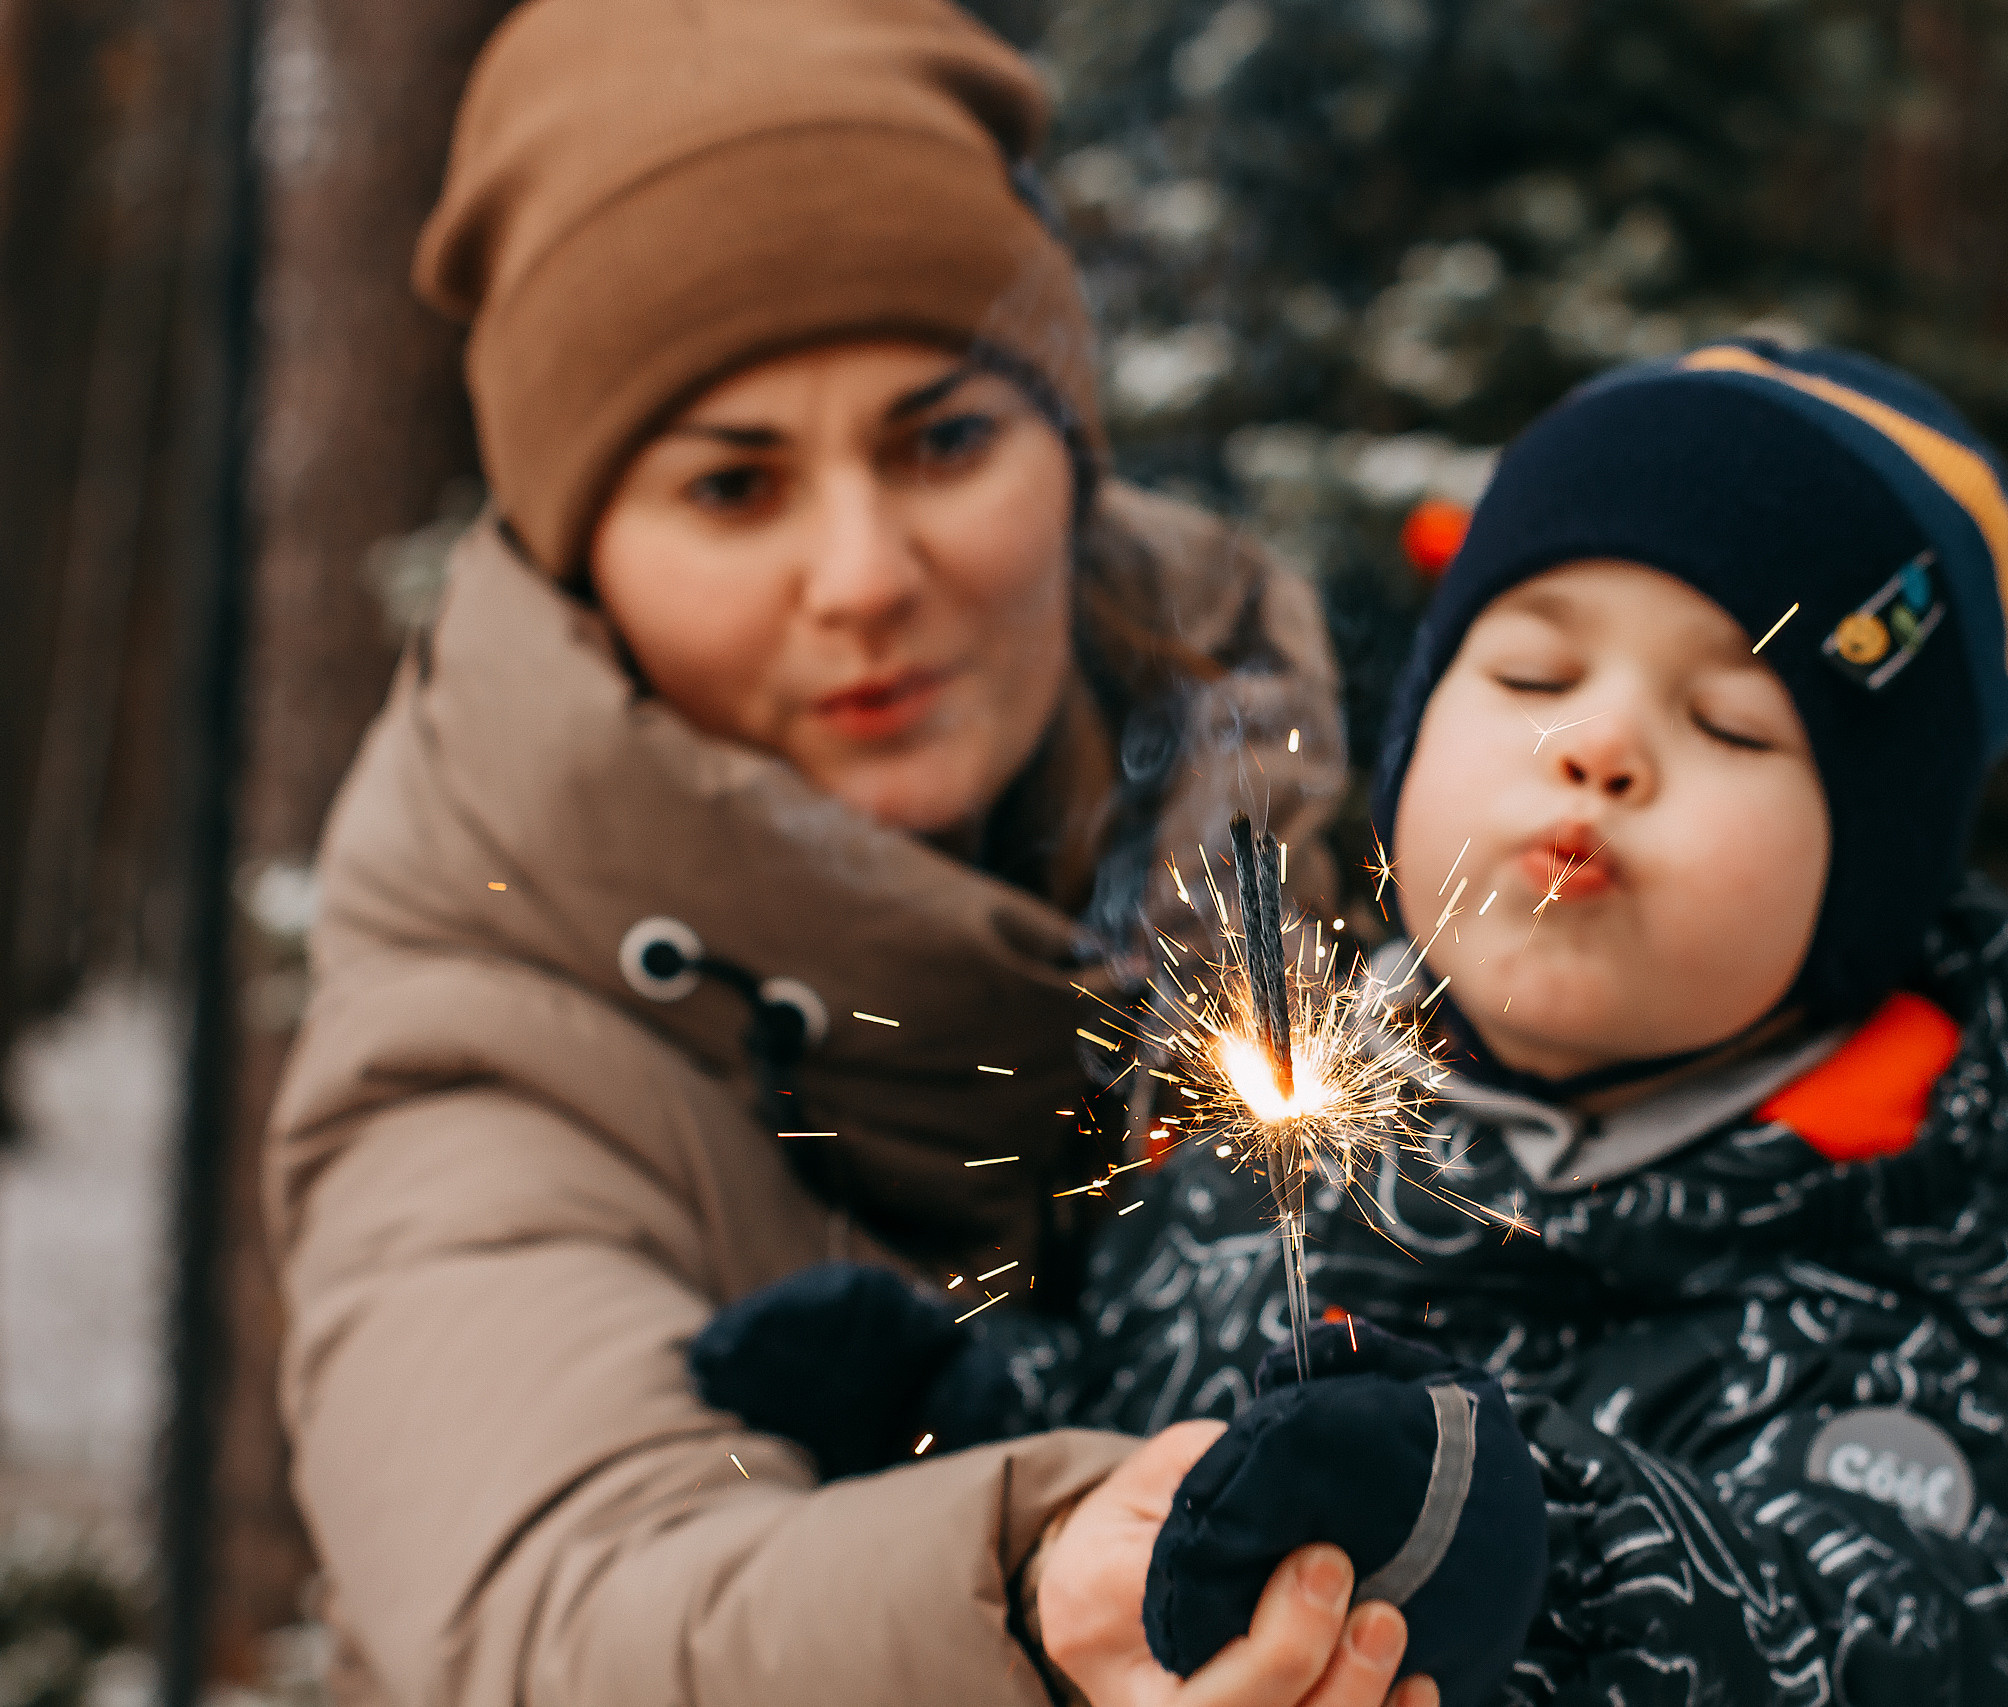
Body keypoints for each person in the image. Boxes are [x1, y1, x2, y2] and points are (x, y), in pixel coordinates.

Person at [263, 1, 1437, 1704]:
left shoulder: (1362, 837)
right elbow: (561, 1611)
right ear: (586, 561)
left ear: (1068, 456)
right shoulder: (481, 1043)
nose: (866, 576)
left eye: (945, 442)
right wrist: (1035, 1592)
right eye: (734, 490)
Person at [695, 339, 2008, 1705]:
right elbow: (1138, 1405)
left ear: (1867, 884)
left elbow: (1890, 1641)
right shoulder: (1285, 1119)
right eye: (1534, 677)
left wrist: (1526, 1570)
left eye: (1732, 723)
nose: (1599, 748)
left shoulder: (1876, 1281)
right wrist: (953, 1411)